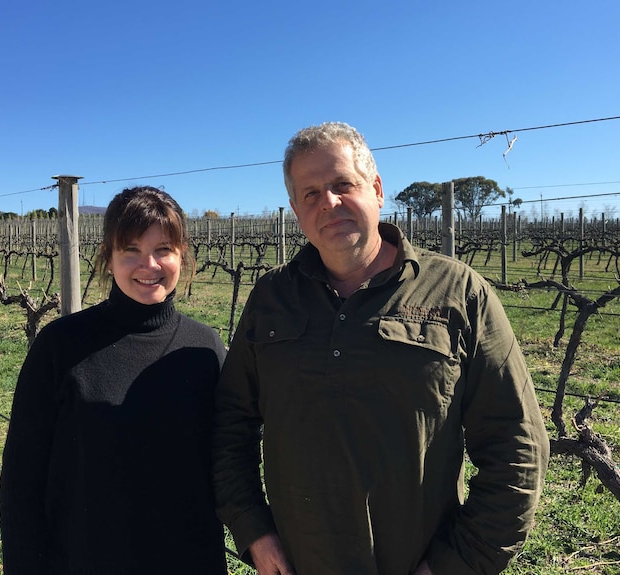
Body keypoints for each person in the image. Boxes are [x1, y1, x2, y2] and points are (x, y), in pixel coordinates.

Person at [212, 122, 550, 575]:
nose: (328, 203)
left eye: (341, 184)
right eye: (310, 193)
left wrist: (457, 563)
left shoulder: (457, 292)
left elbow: (517, 444)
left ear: (376, 189)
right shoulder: (272, 297)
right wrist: (254, 531)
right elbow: (229, 425)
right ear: (295, 209)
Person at [0, 186, 228, 574]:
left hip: (188, 559)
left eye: (163, 250)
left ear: (182, 255)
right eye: (131, 250)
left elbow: (226, 464)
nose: (149, 265)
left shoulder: (205, 348)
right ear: (108, 256)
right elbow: (22, 477)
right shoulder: (61, 346)